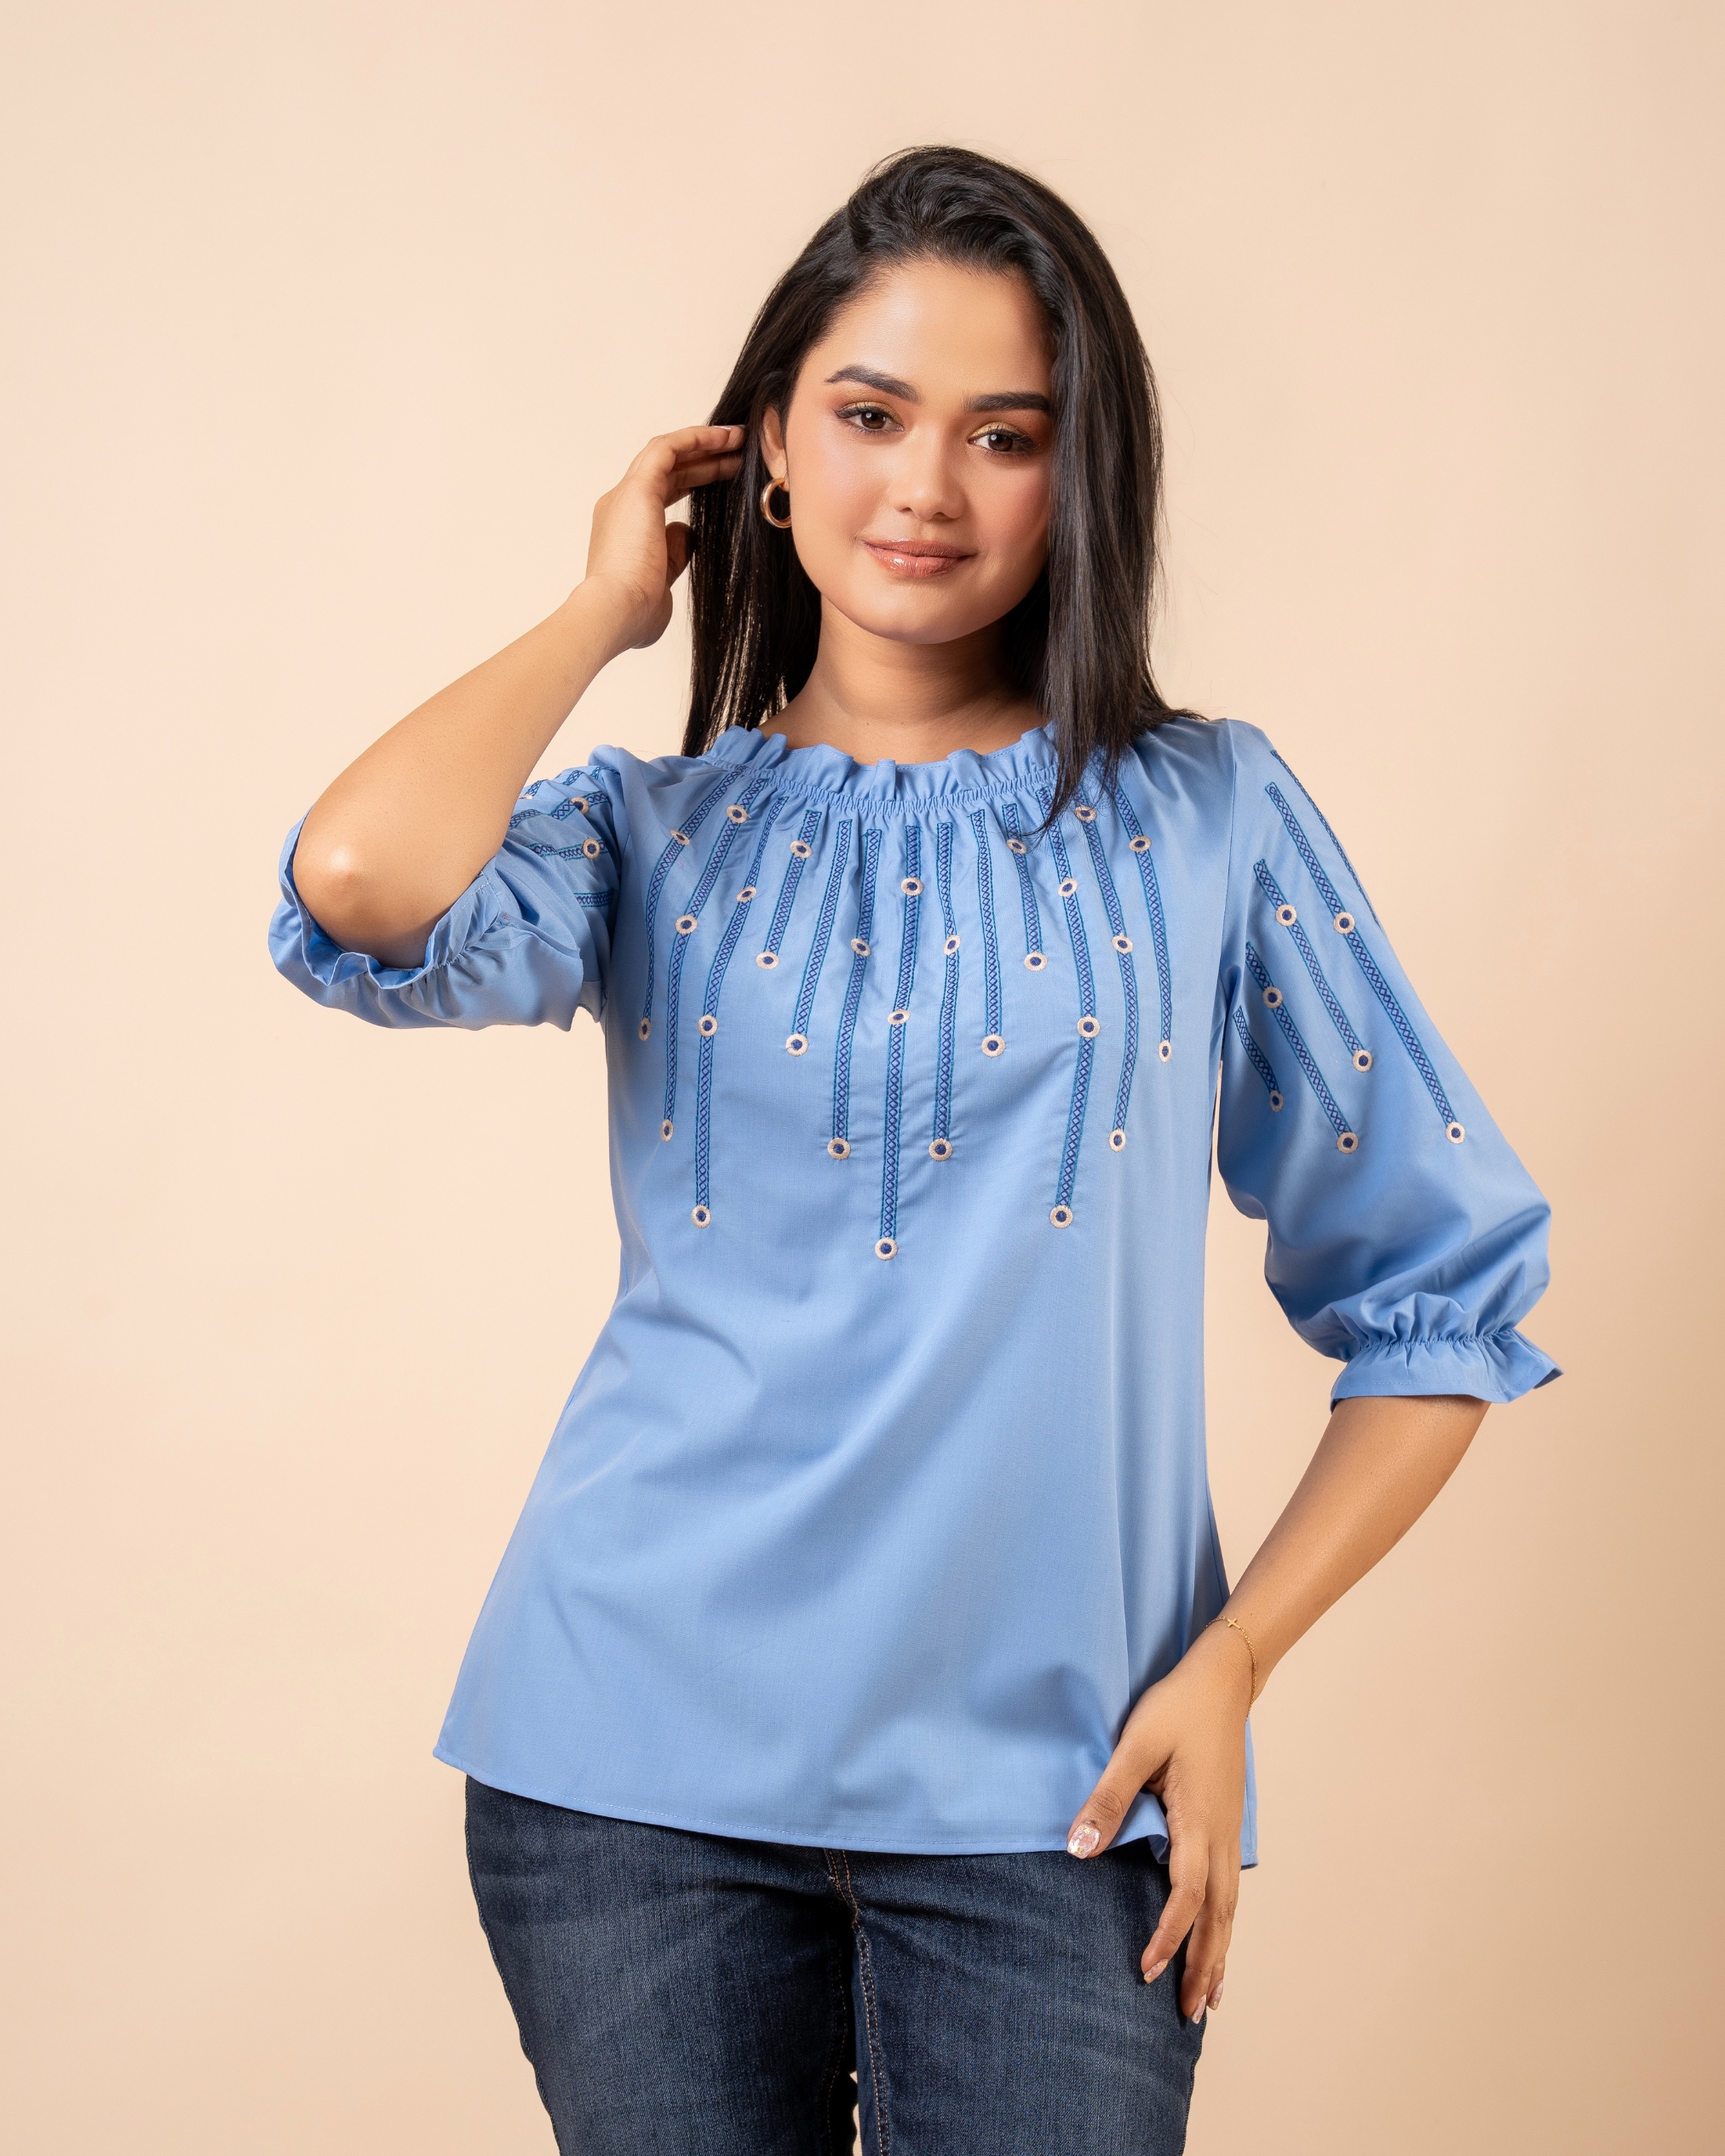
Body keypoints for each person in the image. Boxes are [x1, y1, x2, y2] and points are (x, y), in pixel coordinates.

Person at [269, 147, 1557, 2156]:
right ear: (766, 453)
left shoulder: (1206, 818)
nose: (926, 489)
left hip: (1063, 1795)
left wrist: (1232, 1660)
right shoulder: (644, 836)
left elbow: (1440, 1293)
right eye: (867, 416)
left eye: (1002, 435)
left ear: (1076, 479)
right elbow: (358, 880)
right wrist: (603, 608)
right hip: (624, 1772)